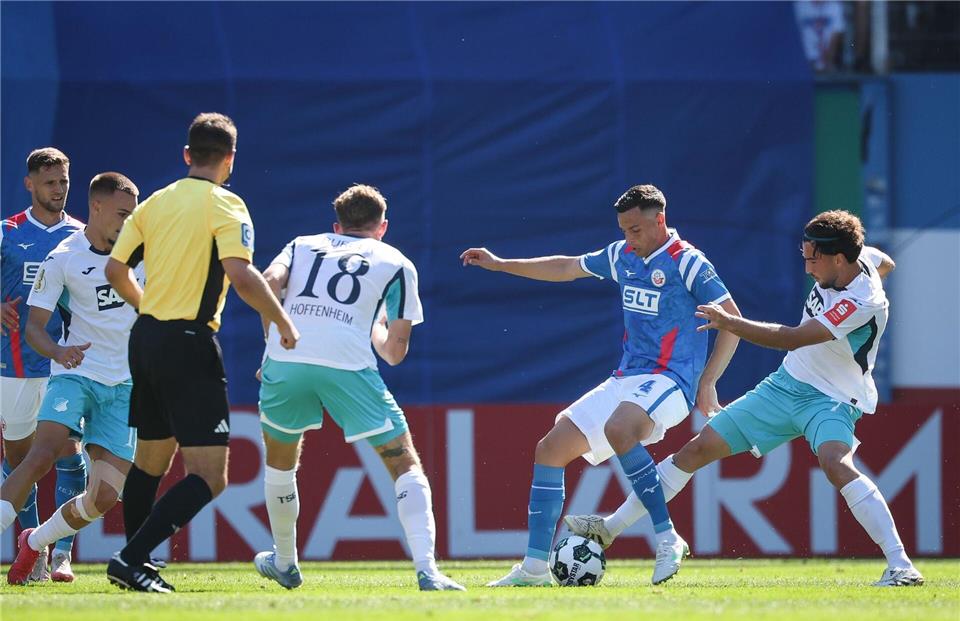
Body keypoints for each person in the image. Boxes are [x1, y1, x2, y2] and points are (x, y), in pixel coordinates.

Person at [566, 210, 924, 587]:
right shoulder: (859, 257)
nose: (807, 269)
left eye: (812, 259)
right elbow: (885, 260)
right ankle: (609, 528)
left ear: (838, 259)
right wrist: (879, 270)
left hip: (833, 398)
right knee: (695, 450)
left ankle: (901, 565)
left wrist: (731, 323)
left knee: (835, 462)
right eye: (803, 257)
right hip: (786, 384)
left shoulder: (861, 302)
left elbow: (790, 337)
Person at [461, 185, 741, 586]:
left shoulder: (688, 262)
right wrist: (501, 264)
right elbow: (565, 267)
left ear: (659, 220)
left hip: (670, 380)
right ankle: (535, 569)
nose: (630, 238)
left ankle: (667, 539)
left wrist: (708, 381)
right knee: (550, 448)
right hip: (625, 378)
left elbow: (733, 320)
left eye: (637, 229)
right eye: (624, 230)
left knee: (619, 429)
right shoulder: (621, 255)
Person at [103, 113, 299, 592]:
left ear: (187, 155)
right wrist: (283, 321)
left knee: (150, 461)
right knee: (210, 477)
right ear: (229, 160)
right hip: (188, 344)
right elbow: (241, 271)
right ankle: (129, 559)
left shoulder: (153, 203)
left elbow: (114, 269)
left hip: (145, 338)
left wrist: (148, 306)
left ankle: (137, 566)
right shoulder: (226, 203)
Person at [254, 184, 465, 592]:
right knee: (404, 463)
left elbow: (266, 282)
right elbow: (394, 353)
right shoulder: (397, 261)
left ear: (336, 225)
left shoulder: (302, 244)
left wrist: (272, 343)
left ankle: (284, 561)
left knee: (280, 463)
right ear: (383, 226)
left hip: (287, 359)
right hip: (348, 366)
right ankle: (427, 571)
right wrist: (375, 328)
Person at [2, 173, 144, 584]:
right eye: (122, 213)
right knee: (40, 456)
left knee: (103, 497)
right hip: (75, 374)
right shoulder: (63, 257)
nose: (129, 221)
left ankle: (35, 542)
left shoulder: (144, 253)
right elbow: (35, 327)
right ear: (96, 208)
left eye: (133, 214)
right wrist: (58, 352)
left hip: (125, 386)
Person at [0, 148, 87, 582]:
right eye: (50, 182)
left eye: (64, 182)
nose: (59, 190)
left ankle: (62, 555)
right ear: (29, 183)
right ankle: (30, 546)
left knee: (69, 453)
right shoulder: (6, 233)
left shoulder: (82, 237)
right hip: (13, 365)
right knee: (21, 461)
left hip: (66, 363)